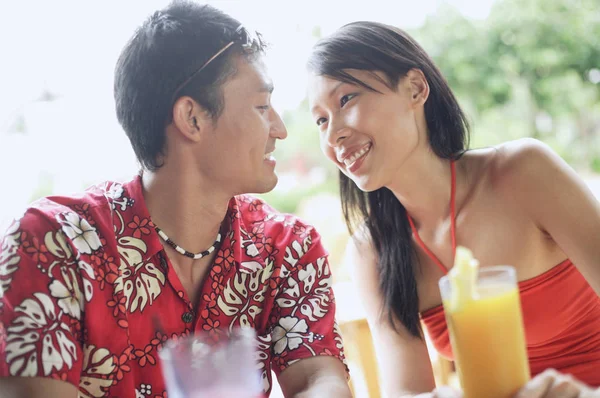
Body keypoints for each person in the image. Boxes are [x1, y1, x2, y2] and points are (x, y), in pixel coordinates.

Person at [0, 2, 351, 397]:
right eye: (260, 106)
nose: (280, 130)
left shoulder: (287, 247)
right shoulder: (50, 246)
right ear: (192, 118)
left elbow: (318, 379)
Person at [306, 21, 600, 398]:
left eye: (346, 99)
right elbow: (407, 392)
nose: (333, 135)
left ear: (415, 88)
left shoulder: (523, 171)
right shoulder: (373, 250)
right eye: (320, 120)